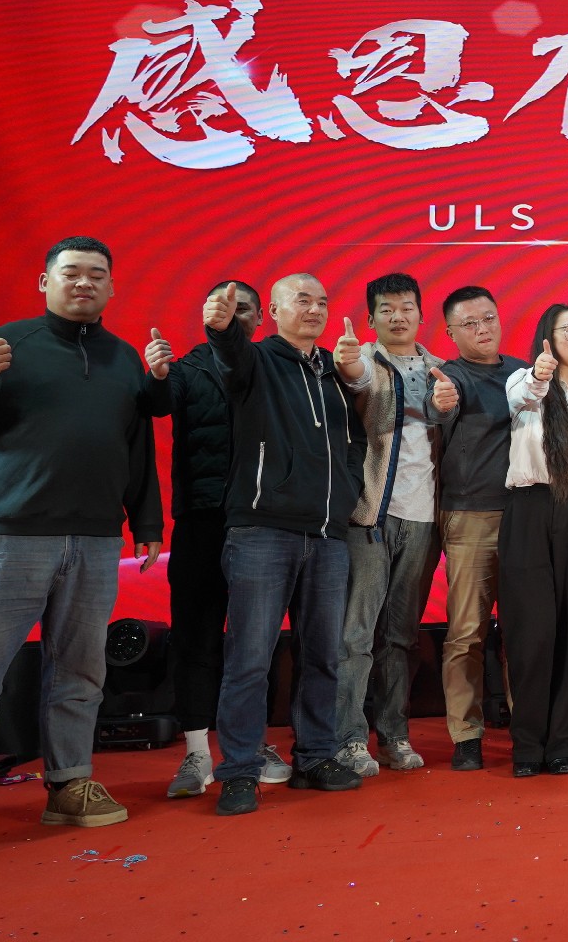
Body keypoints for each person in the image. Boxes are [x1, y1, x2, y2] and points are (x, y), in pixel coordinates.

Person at [0, 237, 171, 857]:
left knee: (80, 672)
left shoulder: (125, 358)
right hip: (9, 536)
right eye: (71, 273)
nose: (84, 283)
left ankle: (69, 785)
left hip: (95, 540)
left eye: (97, 274)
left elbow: (136, 448)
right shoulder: (4, 346)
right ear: (44, 281)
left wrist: (146, 522)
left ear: (112, 287)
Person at [205, 275, 371, 816]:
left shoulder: (336, 372)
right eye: (302, 300)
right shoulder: (255, 361)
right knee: (250, 659)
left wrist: (346, 494)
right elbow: (229, 354)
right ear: (273, 311)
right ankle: (238, 771)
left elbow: (355, 443)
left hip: (327, 535)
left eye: (322, 302)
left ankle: (315, 756)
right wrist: (221, 329)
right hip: (262, 529)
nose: (315, 309)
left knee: (323, 655)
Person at [164, 280, 294, 799]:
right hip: (202, 520)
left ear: (260, 319)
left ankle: (253, 744)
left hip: (263, 521)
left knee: (257, 641)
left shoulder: (274, 366)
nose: (234, 316)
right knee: (195, 636)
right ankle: (196, 753)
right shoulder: (184, 370)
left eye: (244, 310)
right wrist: (155, 376)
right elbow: (154, 404)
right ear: (206, 314)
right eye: (224, 307)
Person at [335, 273, 455, 779]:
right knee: (356, 635)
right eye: (386, 309)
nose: (398, 316)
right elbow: (357, 379)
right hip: (369, 516)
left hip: (424, 518)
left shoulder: (443, 370)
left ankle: (393, 734)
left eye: (406, 307)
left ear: (421, 316)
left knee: (401, 636)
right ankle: (347, 738)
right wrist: (348, 363)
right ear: (371, 318)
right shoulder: (362, 359)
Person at [500, 306, 568, 775]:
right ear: (548, 335)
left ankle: (564, 744)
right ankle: (527, 746)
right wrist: (540, 376)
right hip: (527, 509)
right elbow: (522, 398)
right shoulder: (522, 380)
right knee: (531, 632)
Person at [432, 285, 529, 771]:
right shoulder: (448, 378)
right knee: (467, 630)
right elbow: (437, 409)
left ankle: (528, 727)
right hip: (472, 516)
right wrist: (441, 403)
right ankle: (466, 734)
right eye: (469, 323)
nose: (482, 328)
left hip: (526, 515)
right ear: (451, 332)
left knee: (524, 629)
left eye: (488, 317)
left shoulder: (524, 372)